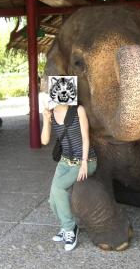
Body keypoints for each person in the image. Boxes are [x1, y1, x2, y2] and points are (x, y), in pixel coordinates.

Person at [41, 102, 97, 252]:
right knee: (53, 199)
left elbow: (86, 138)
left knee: (58, 188)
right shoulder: (51, 112)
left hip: (85, 161)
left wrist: (84, 162)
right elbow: (44, 141)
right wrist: (45, 120)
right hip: (65, 161)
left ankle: (69, 229)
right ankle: (67, 226)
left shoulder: (78, 110)